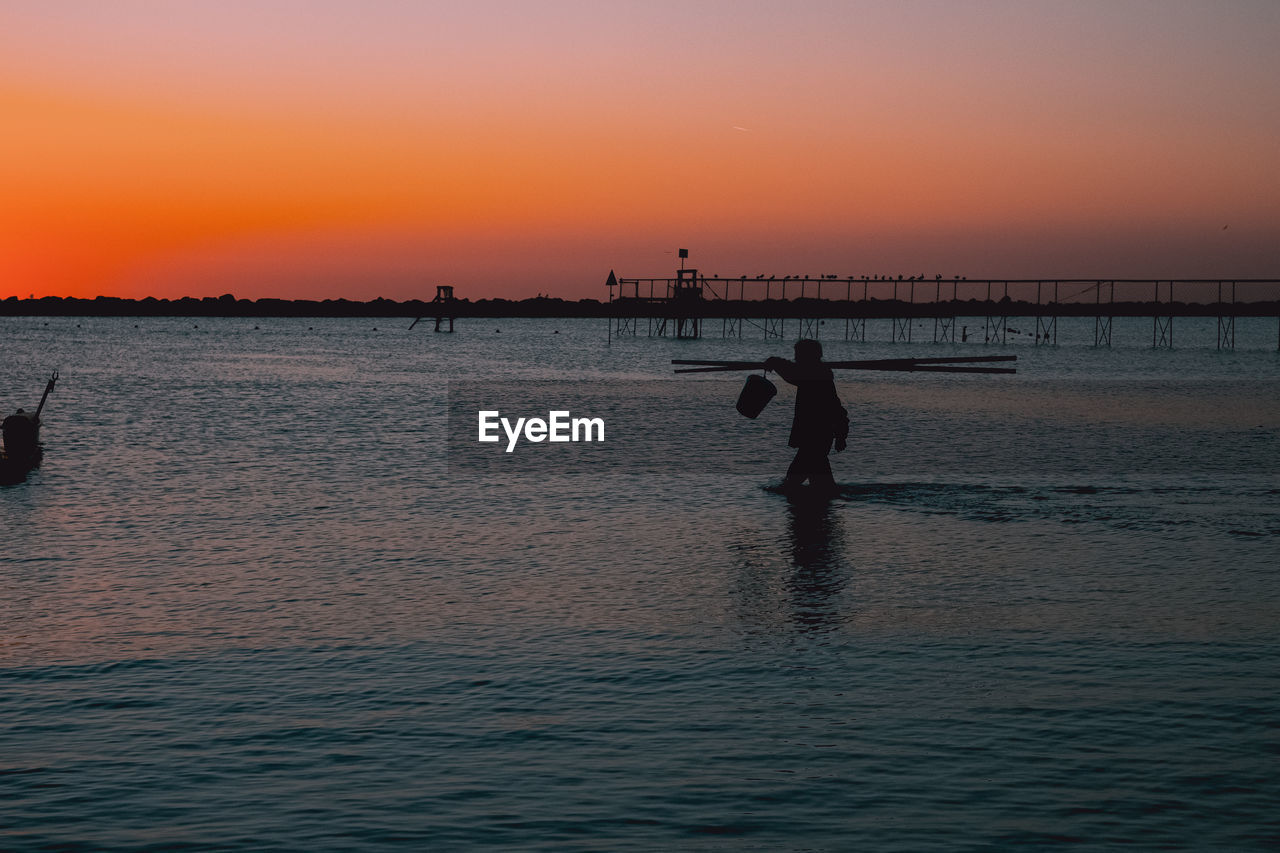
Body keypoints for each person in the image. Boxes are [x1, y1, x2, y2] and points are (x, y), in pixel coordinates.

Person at [765, 340, 849, 492]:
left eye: (798, 355)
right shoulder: (818, 373)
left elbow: (793, 374)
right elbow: (837, 409)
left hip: (816, 436)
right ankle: (819, 509)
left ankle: (814, 509)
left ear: (808, 356)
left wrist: (775, 362)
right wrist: (840, 435)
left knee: (792, 482)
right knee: (821, 484)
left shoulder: (815, 375)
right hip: (818, 437)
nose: (796, 358)